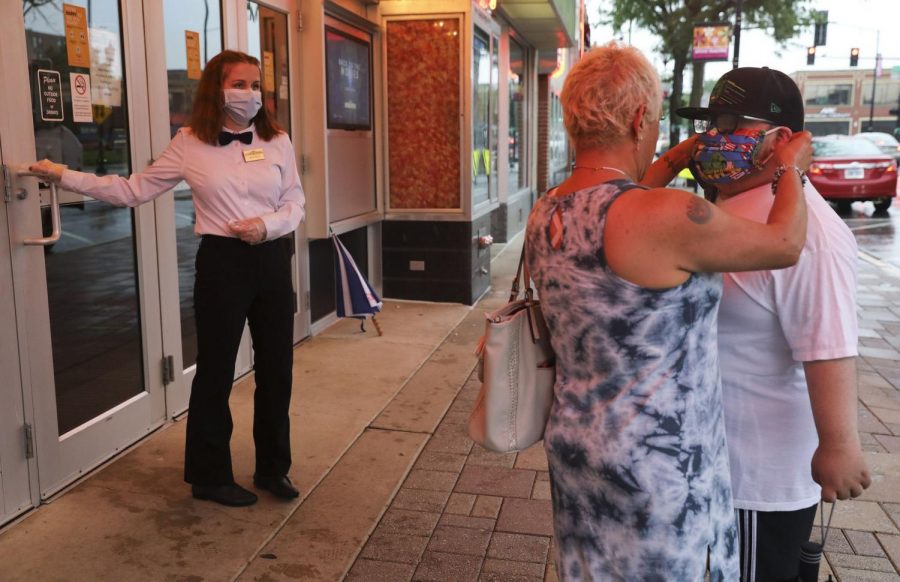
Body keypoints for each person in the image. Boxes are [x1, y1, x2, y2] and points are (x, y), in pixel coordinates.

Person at [525, 42, 811, 580]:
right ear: (639, 119)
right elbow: (785, 244)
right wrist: (789, 169)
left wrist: (675, 157)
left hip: (579, 449)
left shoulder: (550, 209)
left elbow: (618, 200)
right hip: (661, 472)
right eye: (653, 120)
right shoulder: (670, 214)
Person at [30, 50, 305, 507]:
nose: (251, 94)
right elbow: (132, 190)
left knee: (278, 369)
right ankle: (210, 476)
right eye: (240, 84)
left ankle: (274, 468)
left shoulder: (277, 140)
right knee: (215, 372)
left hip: (271, 258)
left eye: (256, 86)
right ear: (217, 88)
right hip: (222, 264)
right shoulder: (189, 143)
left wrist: (268, 226)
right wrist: (63, 176)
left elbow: (295, 200)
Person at [668, 67, 872, 581]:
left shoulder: (810, 230)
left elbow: (826, 342)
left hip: (756, 481)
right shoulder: (731, 204)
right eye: (710, 124)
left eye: (732, 123)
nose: (714, 138)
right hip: (708, 465)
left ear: (783, 140)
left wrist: (839, 443)